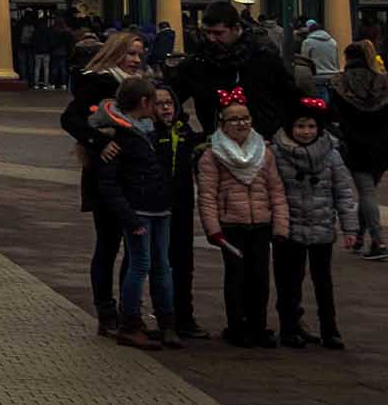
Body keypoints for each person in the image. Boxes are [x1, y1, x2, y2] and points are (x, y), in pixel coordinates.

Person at [59, 30, 148, 336]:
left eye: (139, 54)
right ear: (115, 53)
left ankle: (129, 308)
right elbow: (70, 118)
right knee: (109, 244)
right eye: (130, 53)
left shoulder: (144, 86)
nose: (136, 60)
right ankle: (106, 312)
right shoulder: (100, 82)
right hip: (106, 175)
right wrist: (97, 141)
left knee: (134, 246)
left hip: (136, 176)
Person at [93, 77, 177, 349]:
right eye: (155, 102)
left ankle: (167, 322)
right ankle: (130, 322)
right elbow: (108, 182)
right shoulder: (120, 135)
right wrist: (128, 216)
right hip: (139, 209)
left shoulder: (151, 129)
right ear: (144, 103)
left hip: (160, 206)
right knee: (140, 265)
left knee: (162, 265)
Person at [198, 99, 289, 348]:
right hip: (231, 225)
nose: (241, 124)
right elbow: (207, 195)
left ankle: (258, 326)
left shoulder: (264, 152)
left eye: (246, 118)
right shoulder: (212, 155)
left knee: (260, 277)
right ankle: (237, 326)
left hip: (261, 223)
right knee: (236, 277)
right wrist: (213, 229)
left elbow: (277, 191)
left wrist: (280, 227)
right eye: (235, 119)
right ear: (223, 124)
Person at [269, 99, 358, 349]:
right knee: (289, 282)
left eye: (311, 126)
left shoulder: (332, 154)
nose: (306, 131)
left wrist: (349, 228)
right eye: (300, 126)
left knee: (324, 283)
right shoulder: (276, 154)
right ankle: (289, 327)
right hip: (290, 229)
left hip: (322, 227)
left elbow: (343, 192)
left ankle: (330, 329)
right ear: (290, 127)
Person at [169, 0, 301, 140]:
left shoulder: (264, 58)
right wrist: (186, 130)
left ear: (236, 28)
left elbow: (289, 96)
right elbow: (172, 98)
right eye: (207, 32)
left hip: (263, 140)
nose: (211, 39)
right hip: (216, 142)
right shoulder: (196, 63)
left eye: (218, 33)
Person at [149, 82, 210, 337]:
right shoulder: (147, 133)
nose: (165, 108)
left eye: (169, 103)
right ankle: (163, 317)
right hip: (153, 208)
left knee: (184, 262)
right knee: (157, 263)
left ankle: (185, 316)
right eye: (159, 104)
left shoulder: (184, 131)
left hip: (182, 206)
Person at [327, 42, 388, 259]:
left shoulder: (339, 83)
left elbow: (331, 115)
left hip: (353, 142)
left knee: (366, 191)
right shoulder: (383, 81)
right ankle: (362, 237)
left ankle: (378, 241)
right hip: (382, 143)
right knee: (369, 190)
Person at [298, 20, 340, 88]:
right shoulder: (333, 42)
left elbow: (304, 62)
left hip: (317, 77)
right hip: (334, 77)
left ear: (310, 31)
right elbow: (336, 61)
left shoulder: (307, 42)